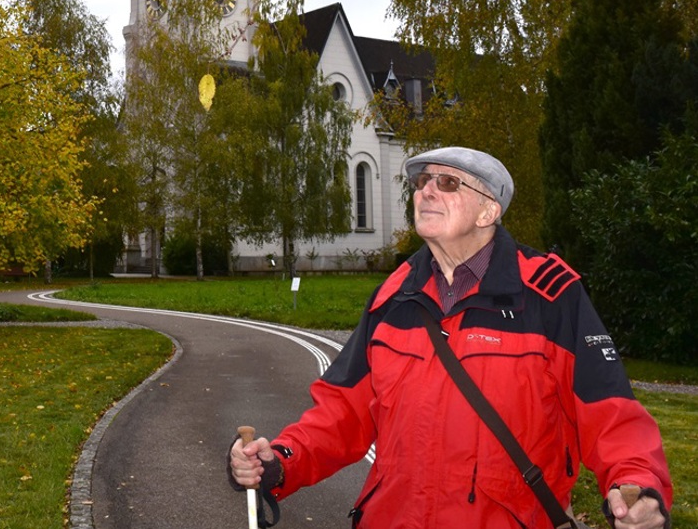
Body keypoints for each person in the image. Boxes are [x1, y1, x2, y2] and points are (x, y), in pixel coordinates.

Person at [229, 146, 673, 529]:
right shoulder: (393, 297)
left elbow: (611, 411)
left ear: (488, 210)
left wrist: (641, 485)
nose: (425, 190)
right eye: (422, 181)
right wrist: (281, 459)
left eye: (447, 182)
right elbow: (342, 411)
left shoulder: (549, 297)